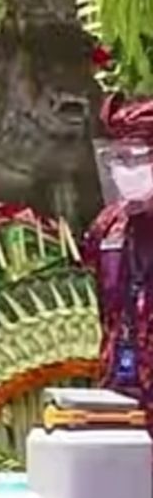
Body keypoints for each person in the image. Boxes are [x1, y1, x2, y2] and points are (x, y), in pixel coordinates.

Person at [83, 93, 153, 415]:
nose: (127, 171)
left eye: (138, 159)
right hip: (121, 391)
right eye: (118, 159)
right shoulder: (108, 225)